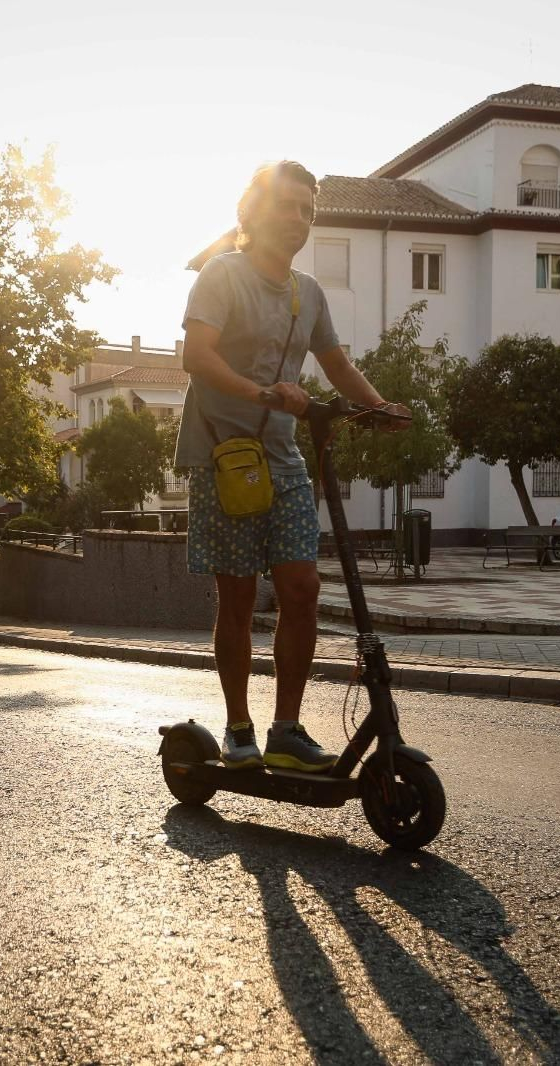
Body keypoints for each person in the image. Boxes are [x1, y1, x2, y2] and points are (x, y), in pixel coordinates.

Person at [176, 160, 408, 773]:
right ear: (252, 211)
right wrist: (263, 393)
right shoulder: (220, 276)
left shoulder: (309, 293)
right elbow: (197, 357)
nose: (299, 220)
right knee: (239, 597)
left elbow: (335, 364)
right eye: (288, 206)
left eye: (309, 210)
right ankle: (238, 727)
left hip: (283, 461)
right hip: (228, 459)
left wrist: (378, 406)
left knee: (303, 589)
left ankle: (285, 728)